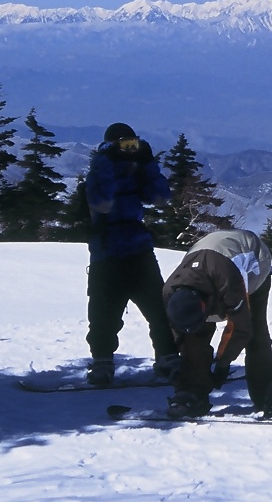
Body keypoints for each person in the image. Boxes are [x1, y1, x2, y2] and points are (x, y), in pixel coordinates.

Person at [162, 228, 272, 419]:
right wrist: (189, 367)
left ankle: (270, 391)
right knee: (193, 338)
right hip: (211, 268)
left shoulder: (228, 282)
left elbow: (240, 329)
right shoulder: (169, 292)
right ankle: (192, 392)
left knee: (255, 334)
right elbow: (181, 333)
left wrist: (223, 364)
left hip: (254, 263)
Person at [85, 121, 173, 386]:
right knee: (104, 313)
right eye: (122, 145)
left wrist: (148, 164)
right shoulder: (97, 175)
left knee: (160, 309)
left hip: (139, 249)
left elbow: (161, 197)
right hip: (107, 251)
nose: (127, 150)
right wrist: (106, 166)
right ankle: (102, 362)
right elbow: (102, 203)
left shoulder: (136, 173)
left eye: (132, 144)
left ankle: (168, 357)